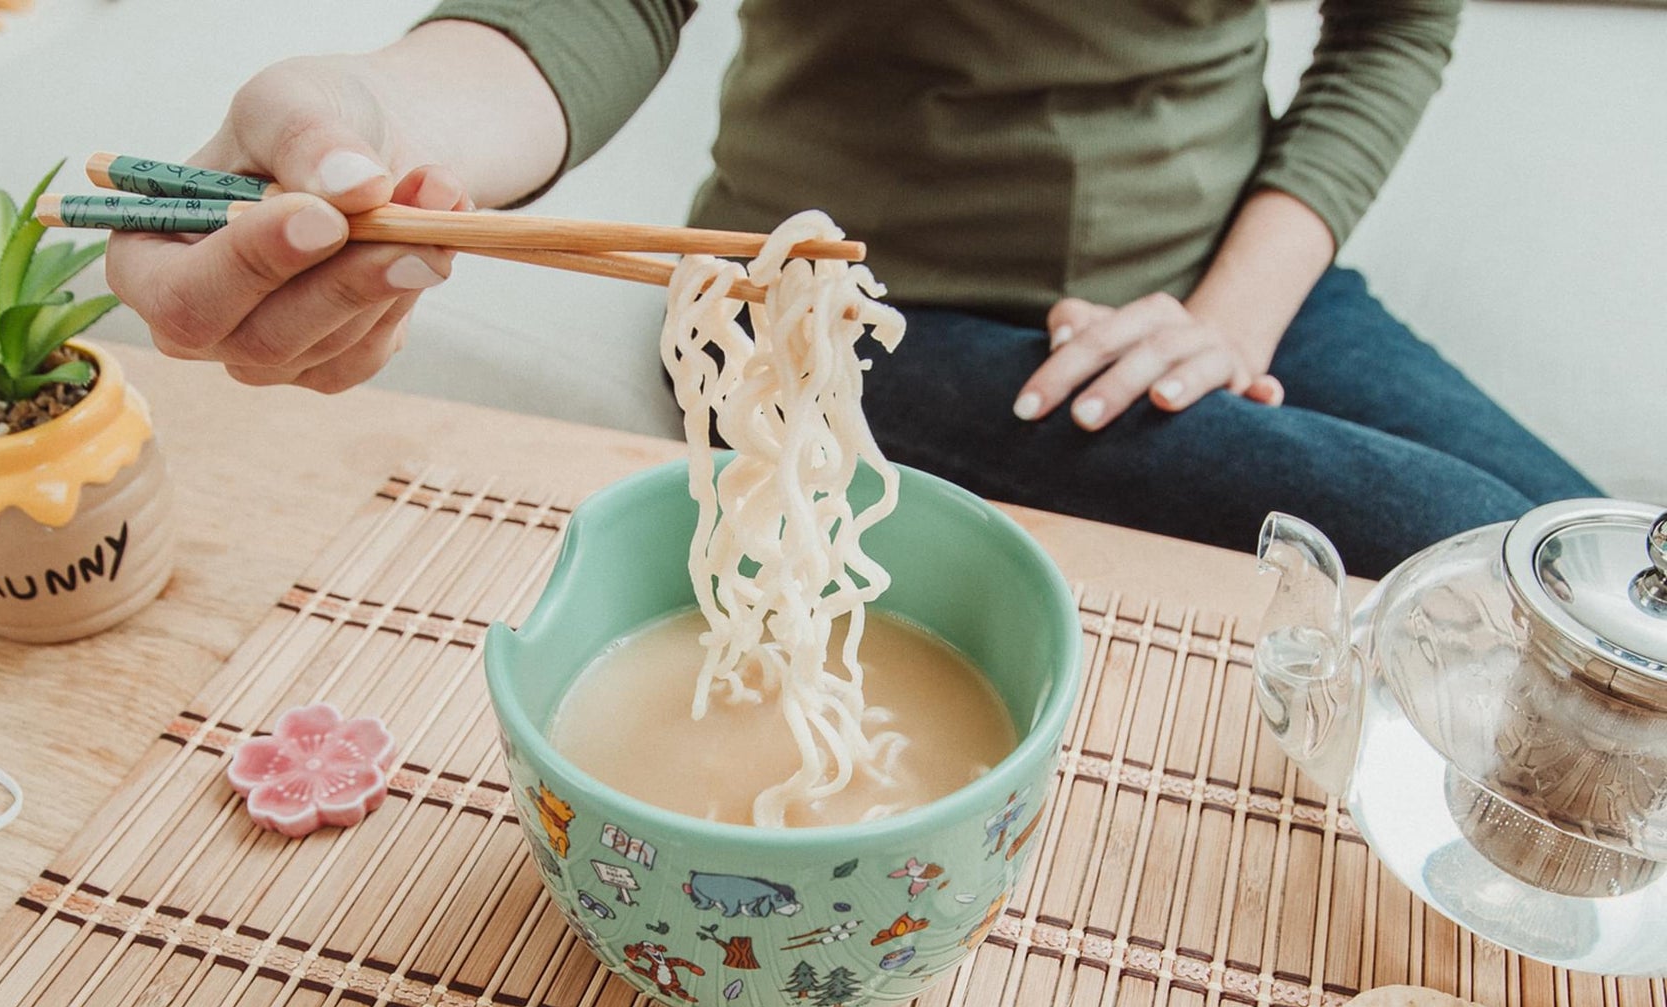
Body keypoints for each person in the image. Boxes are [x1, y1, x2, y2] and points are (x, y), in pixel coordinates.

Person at [103, 1, 1600, 579]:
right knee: (1478, 558)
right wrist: (390, 122)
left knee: (1613, 565)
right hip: (846, 314)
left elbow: (1395, 26)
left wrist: (1233, 315)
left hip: (1243, 276)